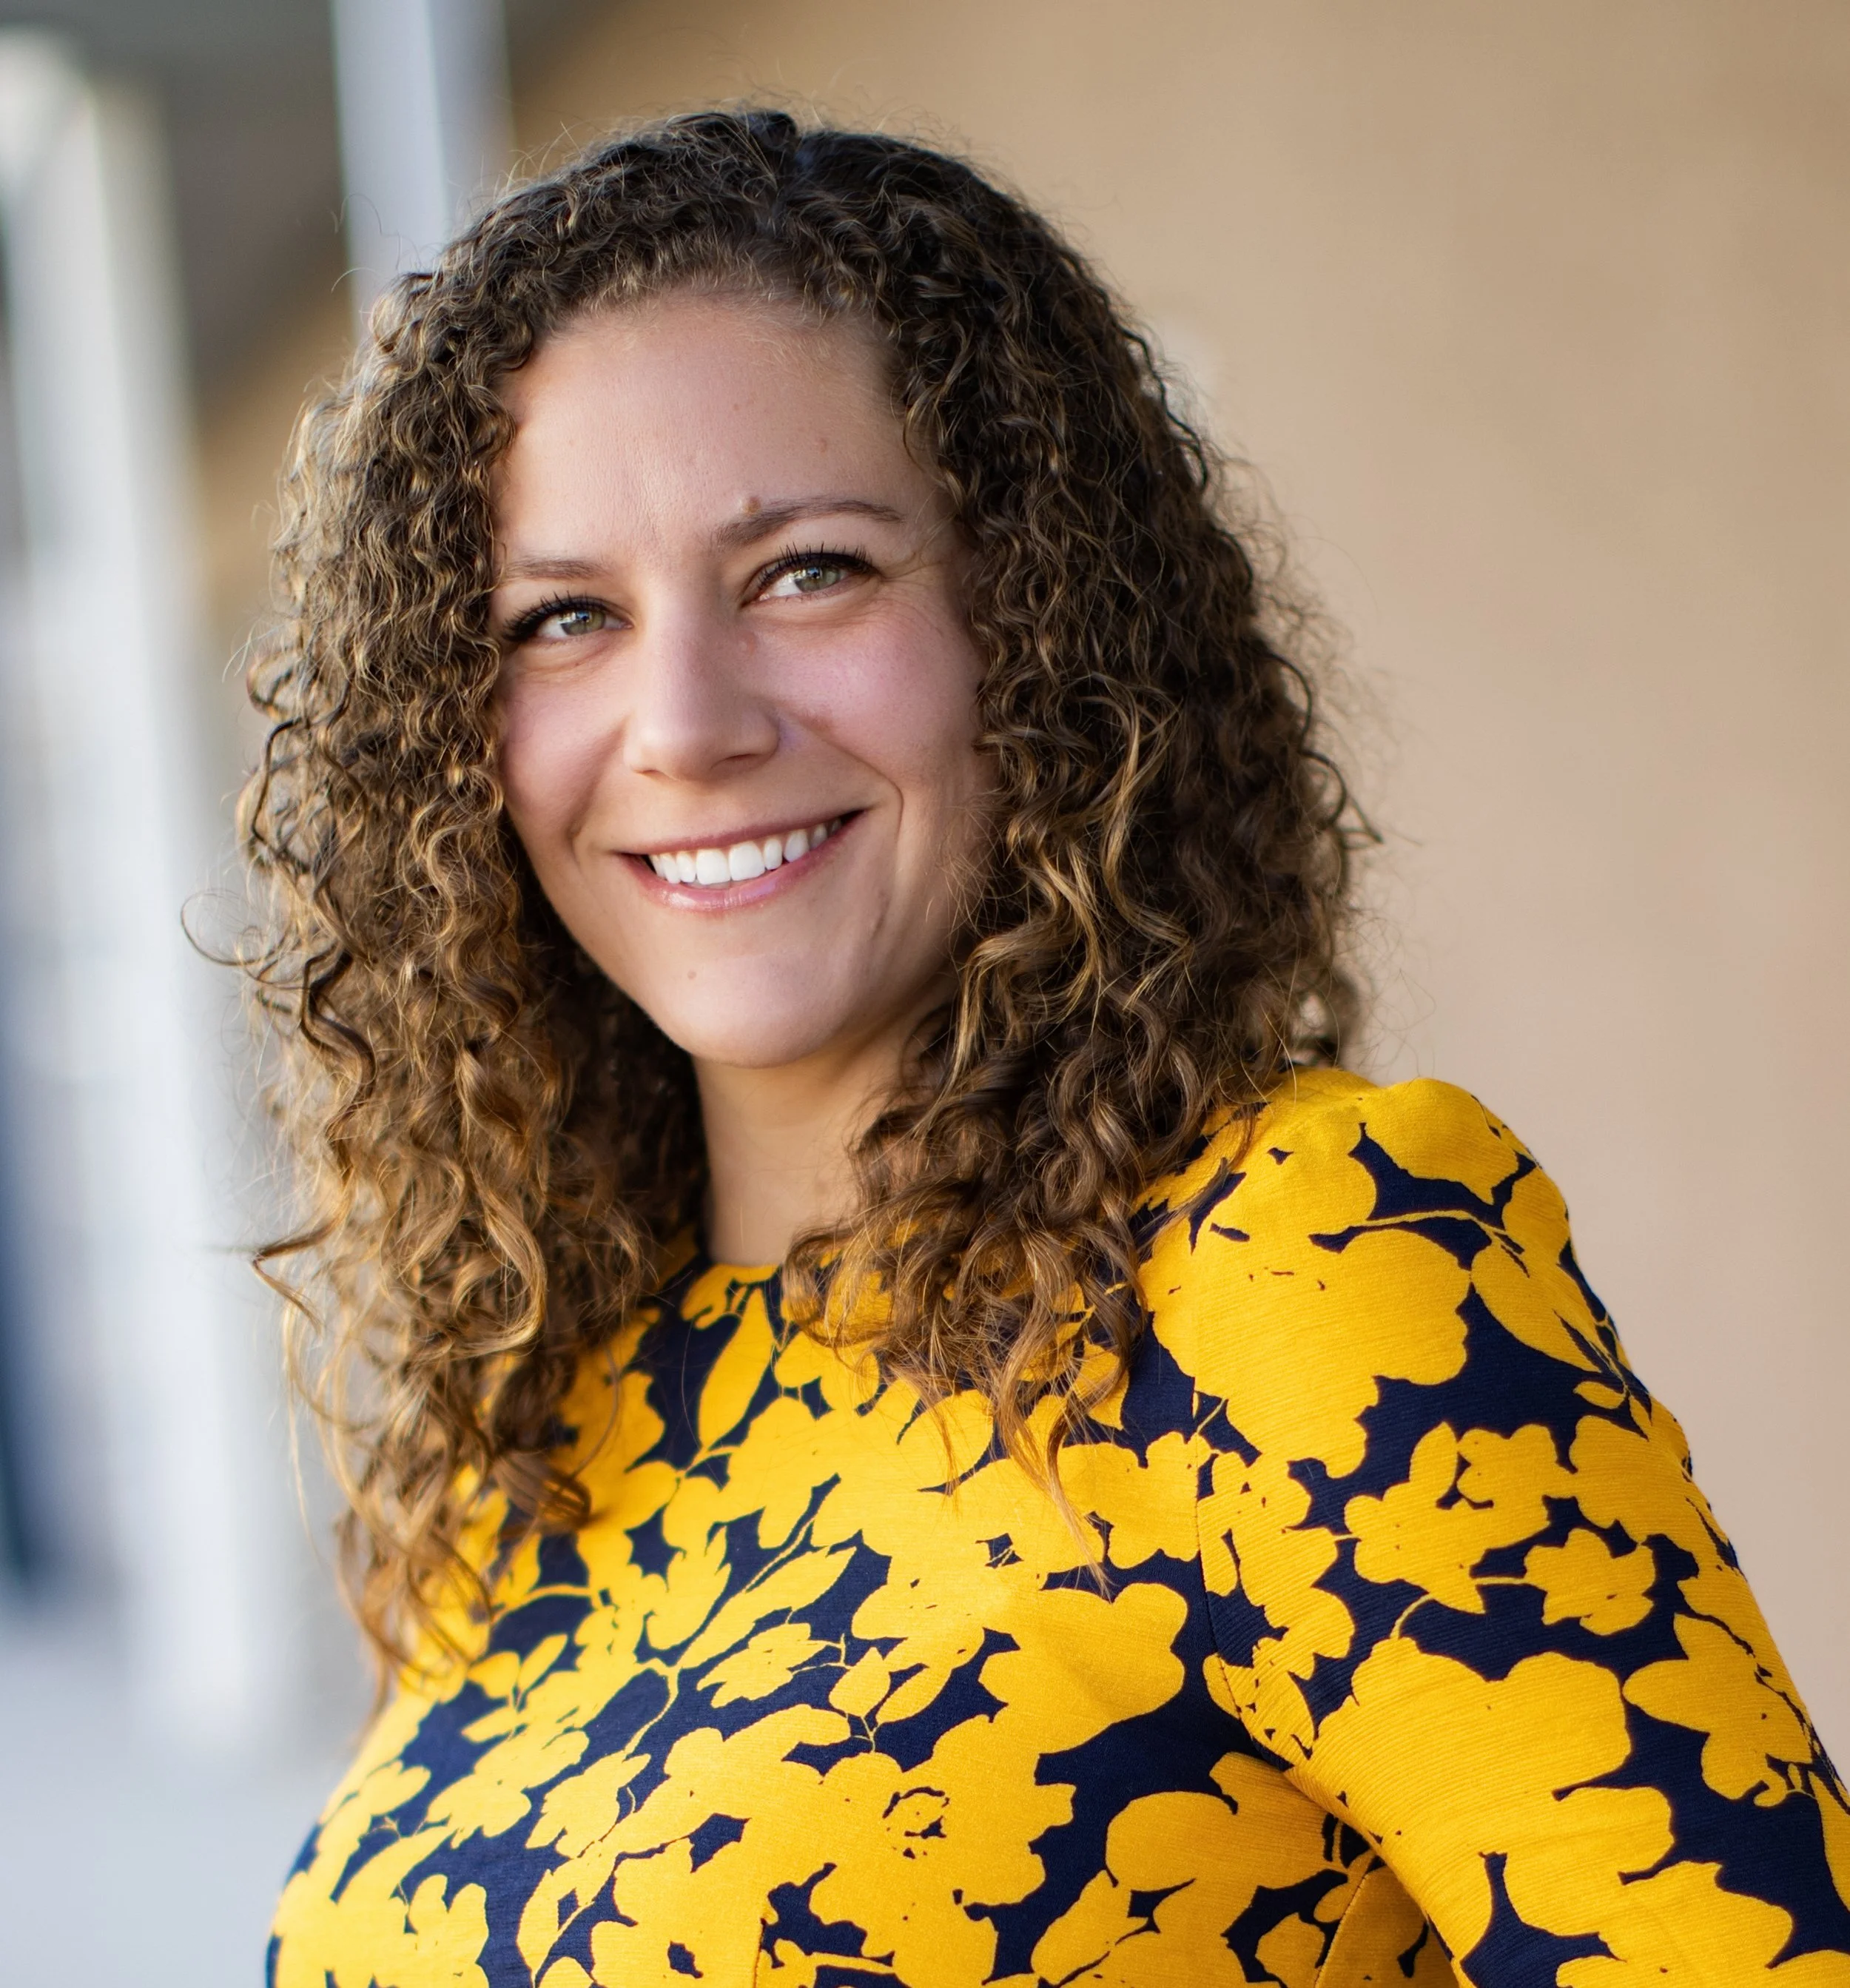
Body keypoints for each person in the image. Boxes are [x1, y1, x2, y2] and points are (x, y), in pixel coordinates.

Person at [246, 110, 1850, 1988]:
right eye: (564, 617)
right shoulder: (530, 1422)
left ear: (1036, 619)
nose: (680, 723)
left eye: (808, 571)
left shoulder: (1294, 1271)